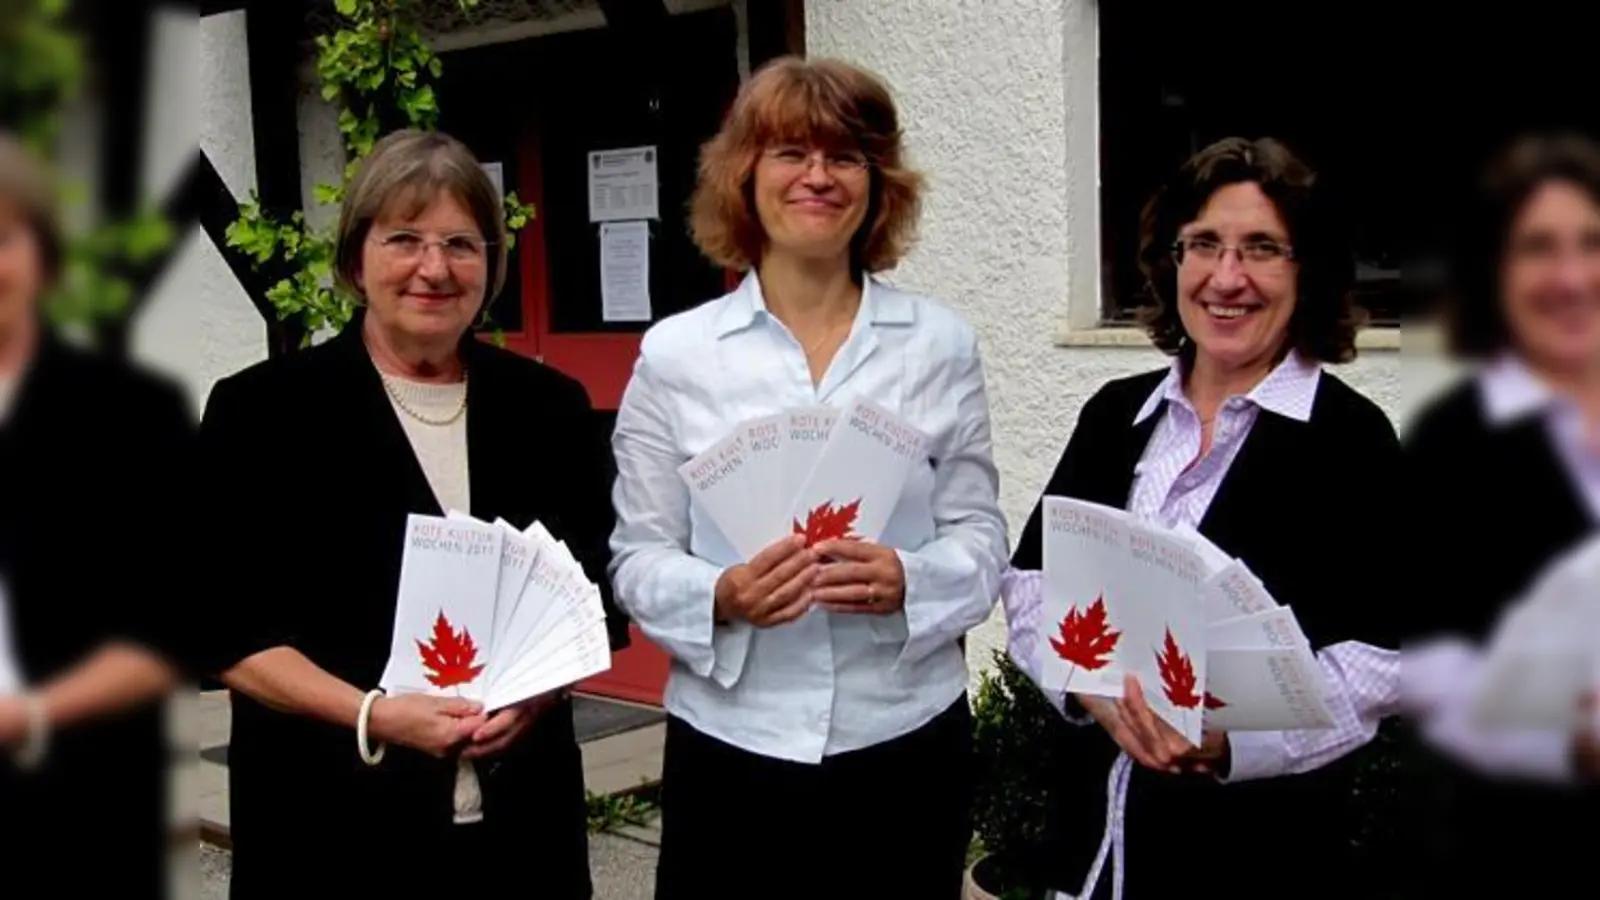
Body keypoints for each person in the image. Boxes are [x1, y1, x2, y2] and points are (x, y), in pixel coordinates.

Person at [608, 56, 1008, 899]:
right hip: (732, 748)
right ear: (743, 176)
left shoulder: (940, 346)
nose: (818, 176)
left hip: (903, 741)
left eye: (845, 155)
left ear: (878, 181)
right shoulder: (677, 356)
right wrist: (721, 593)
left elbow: (981, 537)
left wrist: (911, 577)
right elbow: (637, 558)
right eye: (790, 152)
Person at [196, 129, 628, 899]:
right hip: (331, 834)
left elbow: (595, 596)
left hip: (519, 838)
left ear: (490, 266)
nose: (434, 268)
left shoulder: (549, 410)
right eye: (404, 239)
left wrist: (535, 693)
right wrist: (376, 714)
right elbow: (219, 625)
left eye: (462, 244)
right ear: (357, 259)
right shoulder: (262, 413)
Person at [1003, 137, 1402, 899]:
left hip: (1255, 863)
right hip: (1088, 858)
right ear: (1171, 260)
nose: (1228, 277)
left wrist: (1234, 745)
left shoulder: (1353, 443)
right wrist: (1087, 687)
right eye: (1205, 246)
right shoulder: (1116, 415)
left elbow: (1380, 662)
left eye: (1262, 248)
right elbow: (1029, 582)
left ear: (1307, 269)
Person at [1401, 131, 1600, 895]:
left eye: (1591, 243)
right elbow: (1425, 661)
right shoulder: (1456, 441)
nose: (1571, 275)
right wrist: (1566, 736)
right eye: (1539, 248)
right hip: (1523, 841)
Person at [0, 132, 191, 898]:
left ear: (42, 257)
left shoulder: (131, 415)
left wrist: (29, 715)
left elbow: (170, 625)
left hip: (75, 802)